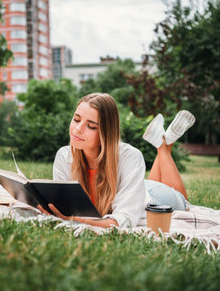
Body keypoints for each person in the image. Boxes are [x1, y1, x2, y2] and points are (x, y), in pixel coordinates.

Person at [38, 93, 195, 228]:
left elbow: (124, 221)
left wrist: (75, 220)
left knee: (183, 201)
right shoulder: (64, 156)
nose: (77, 129)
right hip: (136, 189)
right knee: (143, 187)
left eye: (91, 126)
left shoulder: (130, 157)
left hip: (156, 196)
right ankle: (163, 142)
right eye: (76, 119)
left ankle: (163, 146)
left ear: (106, 133)